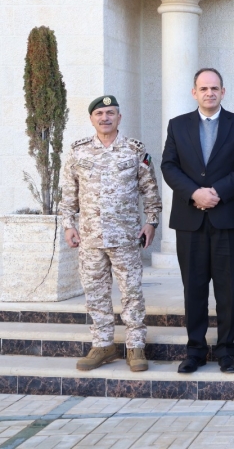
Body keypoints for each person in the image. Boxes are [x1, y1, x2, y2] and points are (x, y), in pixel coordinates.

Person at [161, 68, 234, 374]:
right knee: (194, 289)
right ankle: (195, 350)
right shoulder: (177, 125)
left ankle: (226, 350)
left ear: (223, 92)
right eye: (203, 88)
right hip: (190, 221)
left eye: (214, 88)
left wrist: (216, 192)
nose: (209, 93)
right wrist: (194, 193)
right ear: (194, 93)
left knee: (228, 289)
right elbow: (169, 166)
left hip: (228, 219)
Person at [60, 95, 162, 372]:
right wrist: (69, 225)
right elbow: (69, 193)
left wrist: (151, 222)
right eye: (100, 114)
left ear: (119, 117)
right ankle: (103, 345)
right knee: (95, 294)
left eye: (110, 113)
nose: (105, 118)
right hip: (90, 238)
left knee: (132, 293)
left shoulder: (134, 150)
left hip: (126, 237)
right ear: (91, 119)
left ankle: (135, 346)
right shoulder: (79, 151)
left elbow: (150, 191)